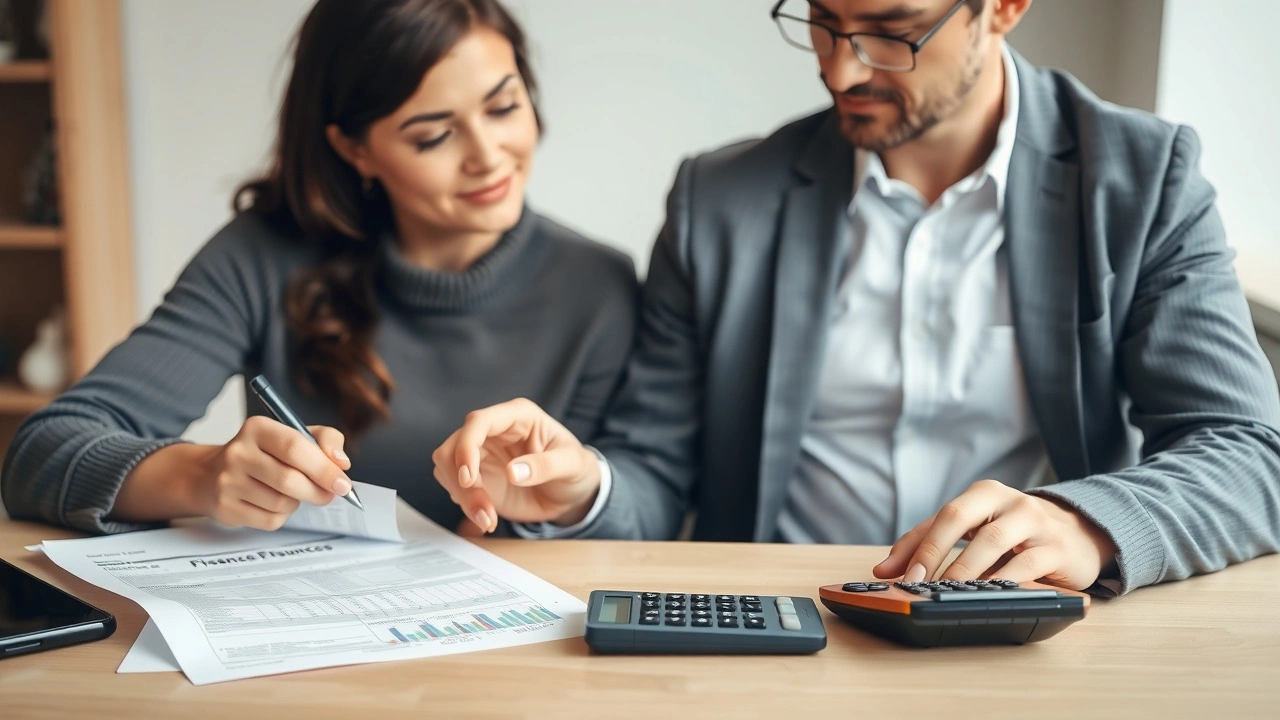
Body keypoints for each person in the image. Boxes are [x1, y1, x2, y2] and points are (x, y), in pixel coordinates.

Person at [431, 0, 1280, 595]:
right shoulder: (720, 200)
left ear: (1006, 6)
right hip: (791, 630)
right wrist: (582, 489)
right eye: (824, 23)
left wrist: (1086, 526)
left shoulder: (1142, 179)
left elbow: (1247, 452)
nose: (842, 69)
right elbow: (656, 469)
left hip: (1031, 630)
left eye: (893, 32)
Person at [1, 0, 637, 536]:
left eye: (503, 107)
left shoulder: (599, 286)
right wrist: (200, 475)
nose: (488, 156)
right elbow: (40, 453)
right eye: (432, 136)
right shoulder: (261, 255)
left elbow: (640, 515)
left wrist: (570, 497)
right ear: (354, 148)